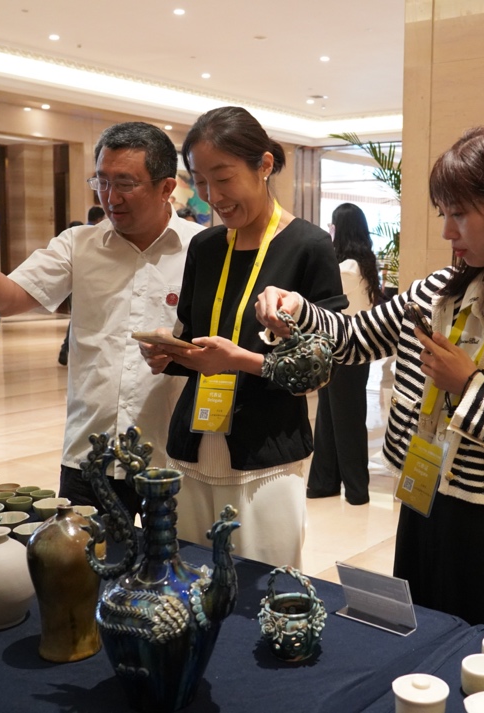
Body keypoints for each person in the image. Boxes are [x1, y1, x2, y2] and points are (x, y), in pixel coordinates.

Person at [257, 125, 484, 625]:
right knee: (419, 648)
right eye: (443, 214)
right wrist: (297, 309)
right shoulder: (438, 292)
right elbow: (355, 338)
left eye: (460, 214)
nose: (448, 232)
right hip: (421, 504)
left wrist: (470, 388)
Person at [0, 122, 202, 515]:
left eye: (125, 183)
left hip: (173, 455)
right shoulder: (78, 245)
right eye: (102, 181)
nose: (110, 197)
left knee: (172, 555)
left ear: (166, 188)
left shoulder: (201, 249)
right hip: (89, 452)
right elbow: (10, 299)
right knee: (84, 553)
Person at [141, 106, 345, 569]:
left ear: (264, 165)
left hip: (267, 456)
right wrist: (170, 353)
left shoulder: (309, 246)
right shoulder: (206, 247)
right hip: (191, 448)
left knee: (264, 589)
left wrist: (239, 360)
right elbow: (193, 337)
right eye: (201, 182)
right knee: (192, 583)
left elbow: (322, 367)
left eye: (224, 178)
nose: (214, 196)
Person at [307, 203, 387, 505]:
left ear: (340, 229)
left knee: (346, 421)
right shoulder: (361, 263)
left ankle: (356, 489)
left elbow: (318, 297)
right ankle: (324, 482)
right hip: (345, 351)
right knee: (329, 420)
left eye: (332, 225)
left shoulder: (347, 268)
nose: (329, 229)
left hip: (345, 351)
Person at [57, 207, 108, 366]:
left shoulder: (78, 234)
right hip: (91, 284)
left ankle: (65, 349)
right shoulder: (97, 235)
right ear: (99, 218)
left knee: (76, 317)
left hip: (74, 285)